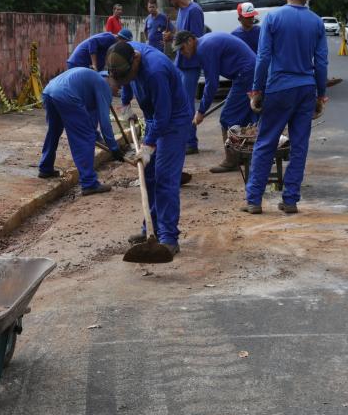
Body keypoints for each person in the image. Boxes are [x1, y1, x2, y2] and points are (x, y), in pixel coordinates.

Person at [242, 0, 328, 215]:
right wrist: (320, 95)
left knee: (266, 143)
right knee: (299, 145)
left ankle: (254, 200)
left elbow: (263, 58)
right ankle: (290, 200)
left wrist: (257, 90)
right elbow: (321, 63)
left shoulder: (273, 18)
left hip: (279, 87)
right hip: (305, 89)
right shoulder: (316, 22)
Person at [105, 41, 191, 255]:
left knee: (164, 179)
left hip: (174, 121)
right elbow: (125, 83)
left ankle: (168, 238)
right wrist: (126, 104)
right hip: (154, 117)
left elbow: (164, 116)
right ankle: (150, 230)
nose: (126, 81)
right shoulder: (122, 53)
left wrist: (149, 145)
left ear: (136, 59)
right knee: (149, 175)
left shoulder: (155, 71)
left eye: (128, 77)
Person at [173, 30, 257, 173]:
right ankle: (244, 156)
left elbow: (212, 84)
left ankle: (232, 161)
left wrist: (201, 111)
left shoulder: (204, 48)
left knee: (227, 117)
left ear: (190, 41)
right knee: (244, 118)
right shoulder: (204, 44)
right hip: (248, 72)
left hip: (246, 74)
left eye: (182, 48)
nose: (181, 53)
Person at [38, 68, 125, 195]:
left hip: (49, 91)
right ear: (111, 79)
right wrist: (114, 147)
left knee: (54, 131)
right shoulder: (103, 85)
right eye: (119, 86)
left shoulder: (92, 79)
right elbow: (104, 121)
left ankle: (45, 168)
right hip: (66, 94)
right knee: (84, 138)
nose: (118, 90)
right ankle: (89, 183)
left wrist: (98, 137)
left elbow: (89, 119)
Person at [163, 0, 204, 155]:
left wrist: (173, 36)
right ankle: (183, 138)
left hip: (190, 63)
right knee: (179, 101)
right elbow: (181, 34)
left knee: (187, 102)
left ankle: (190, 142)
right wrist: (171, 37)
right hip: (180, 62)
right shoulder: (181, 10)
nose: (169, 2)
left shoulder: (194, 10)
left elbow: (193, 38)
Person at [66, 30, 131, 71]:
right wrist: (94, 65)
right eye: (126, 43)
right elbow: (92, 41)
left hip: (81, 64)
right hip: (78, 63)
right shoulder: (111, 38)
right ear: (121, 39)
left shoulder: (113, 43)